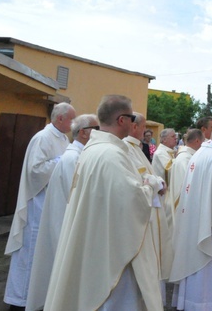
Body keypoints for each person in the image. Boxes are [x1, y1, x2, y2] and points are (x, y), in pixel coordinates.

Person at [45, 95, 167, 310]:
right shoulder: (111, 155)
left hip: (98, 235)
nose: (134, 123)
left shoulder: (93, 149)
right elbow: (132, 201)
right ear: (122, 120)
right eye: (131, 118)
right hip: (112, 247)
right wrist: (151, 186)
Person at [3, 102, 76, 310]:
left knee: (43, 257)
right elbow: (35, 171)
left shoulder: (62, 138)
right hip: (37, 206)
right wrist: (63, 161)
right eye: (71, 118)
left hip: (51, 206)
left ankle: (37, 300)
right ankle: (19, 302)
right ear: (59, 118)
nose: (73, 123)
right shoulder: (42, 138)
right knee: (30, 255)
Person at [25, 113, 97, 311]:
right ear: (83, 133)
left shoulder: (74, 151)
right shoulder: (72, 157)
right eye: (96, 129)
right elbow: (76, 198)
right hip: (61, 217)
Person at [170, 125, 212, 310]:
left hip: (194, 218)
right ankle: (206, 304)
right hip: (208, 224)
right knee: (209, 266)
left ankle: (189, 301)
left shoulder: (199, 153)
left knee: (193, 260)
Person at [123, 112, 174, 304]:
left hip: (153, 208)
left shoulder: (137, 148)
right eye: (144, 127)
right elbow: (140, 180)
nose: (147, 132)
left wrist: (157, 181)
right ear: (134, 127)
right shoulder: (126, 149)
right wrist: (158, 183)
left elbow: (150, 174)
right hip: (143, 213)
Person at [169, 128, 204, 212]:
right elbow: (187, 185)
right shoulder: (184, 159)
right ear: (197, 141)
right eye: (203, 142)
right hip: (185, 206)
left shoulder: (190, 156)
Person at [153, 128, 177, 234]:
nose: (175, 138)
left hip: (172, 190)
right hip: (165, 193)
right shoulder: (160, 152)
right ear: (164, 140)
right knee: (168, 224)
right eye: (172, 136)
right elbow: (170, 168)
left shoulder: (171, 151)